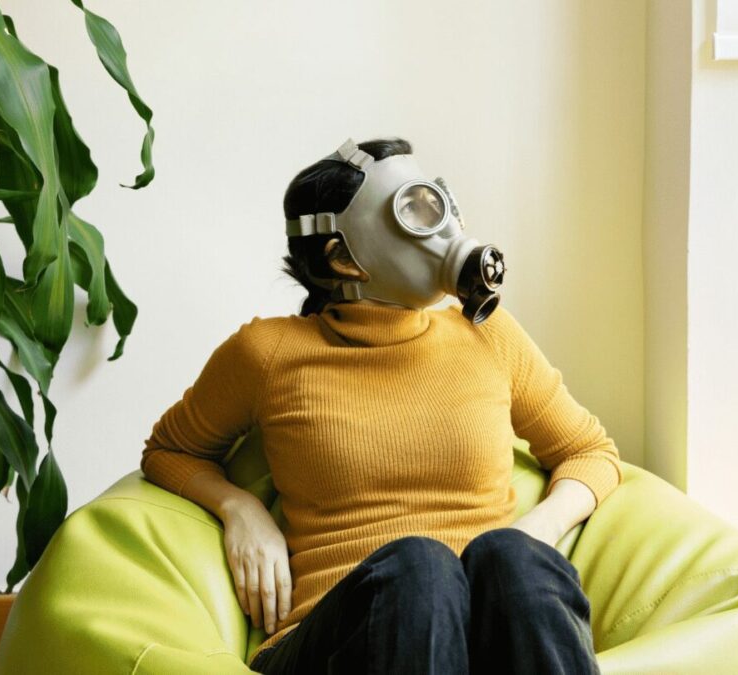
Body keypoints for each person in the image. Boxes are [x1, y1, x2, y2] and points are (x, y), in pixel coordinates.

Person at [139, 137, 623, 674]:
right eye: (411, 212)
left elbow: (590, 452)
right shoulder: (268, 353)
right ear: (342, 257)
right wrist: (239, 508)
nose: (442, 230)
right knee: (422, 566)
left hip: (481, 640)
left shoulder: (489, 337)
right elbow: (168, 450)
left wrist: (534, 532)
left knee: (514, 560)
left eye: (435, 203)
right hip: (330, 642)